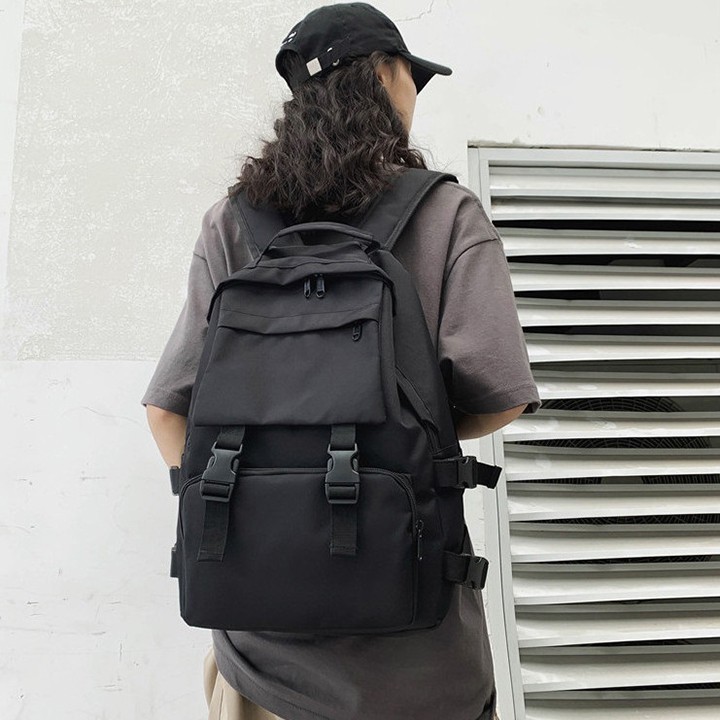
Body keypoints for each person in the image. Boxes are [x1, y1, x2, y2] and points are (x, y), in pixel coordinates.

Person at [142, 3, 541, 719]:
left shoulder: (232, 222)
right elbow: (501, 395)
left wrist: (258, 498)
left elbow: (167, 410)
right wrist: (403, 437)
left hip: (260, 667)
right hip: (420, 673)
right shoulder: (447, 215)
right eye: (412, 77)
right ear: (385, 75)